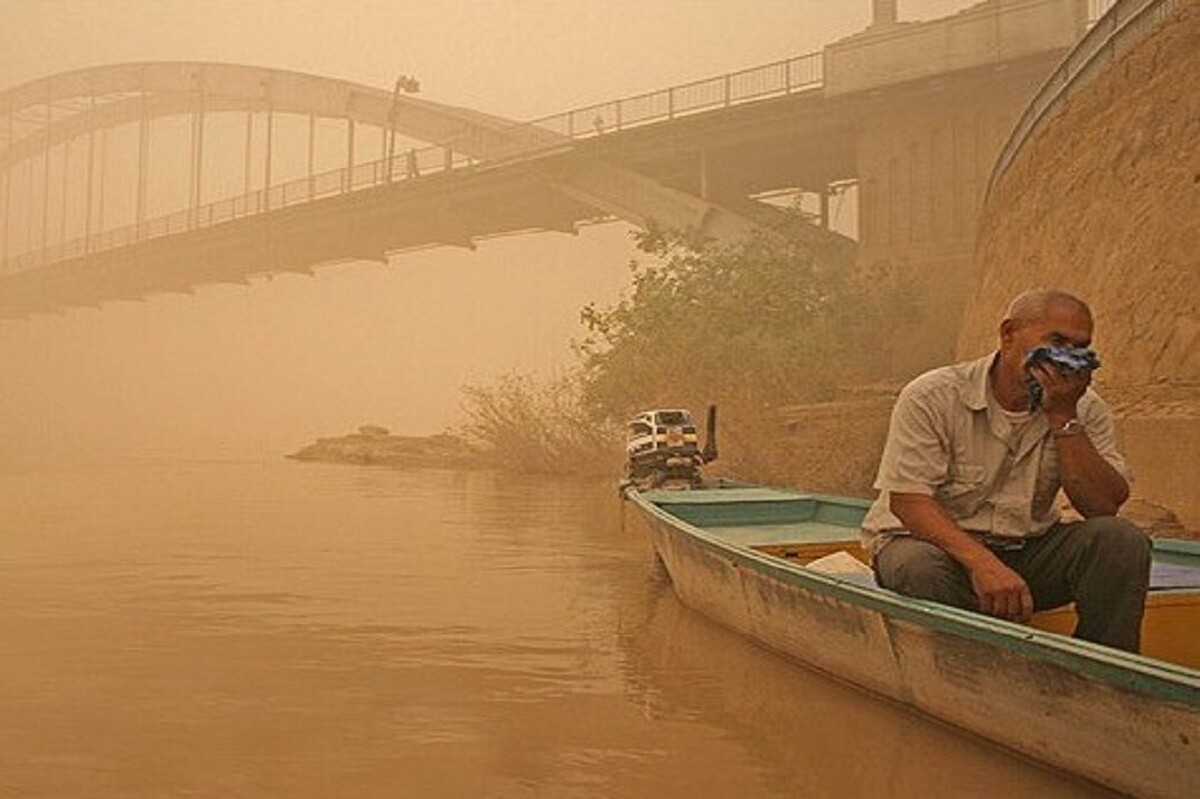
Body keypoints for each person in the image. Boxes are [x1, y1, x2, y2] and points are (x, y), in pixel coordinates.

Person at [861, 288, 1150, 652]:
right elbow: (909, 501)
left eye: (1078, 347)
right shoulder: (933, 395)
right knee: (919, 568)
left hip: (1025, 553)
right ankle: (967, 677)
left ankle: (1105, 678)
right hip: (938, 551)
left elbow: (1102, 506)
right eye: (1055, 341)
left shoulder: (1084, 408)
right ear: (1009, 334)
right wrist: (983, 565)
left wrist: (1063, 417)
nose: (1065, 358)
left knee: (1120, 541)